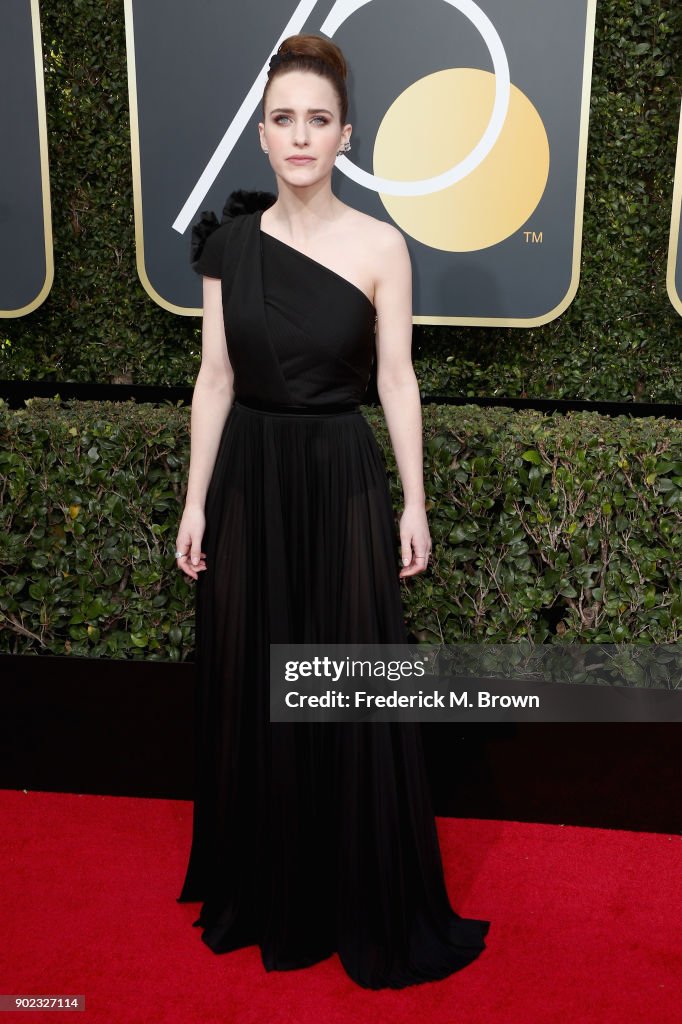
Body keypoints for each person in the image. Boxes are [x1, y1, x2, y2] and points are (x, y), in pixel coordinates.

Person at [174, 33, 490, 990]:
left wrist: (415, 501)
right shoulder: (228, 248)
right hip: (253, 484)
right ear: (262, 138)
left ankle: (355, 886)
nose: (300, 136)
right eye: (283, 120)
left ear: (343, 134)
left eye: (317, 120)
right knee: (255, 680)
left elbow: (397, 381)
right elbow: (214, 381)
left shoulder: (382, 245)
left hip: (342, 477)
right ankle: (269, 887)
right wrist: (194, 502)